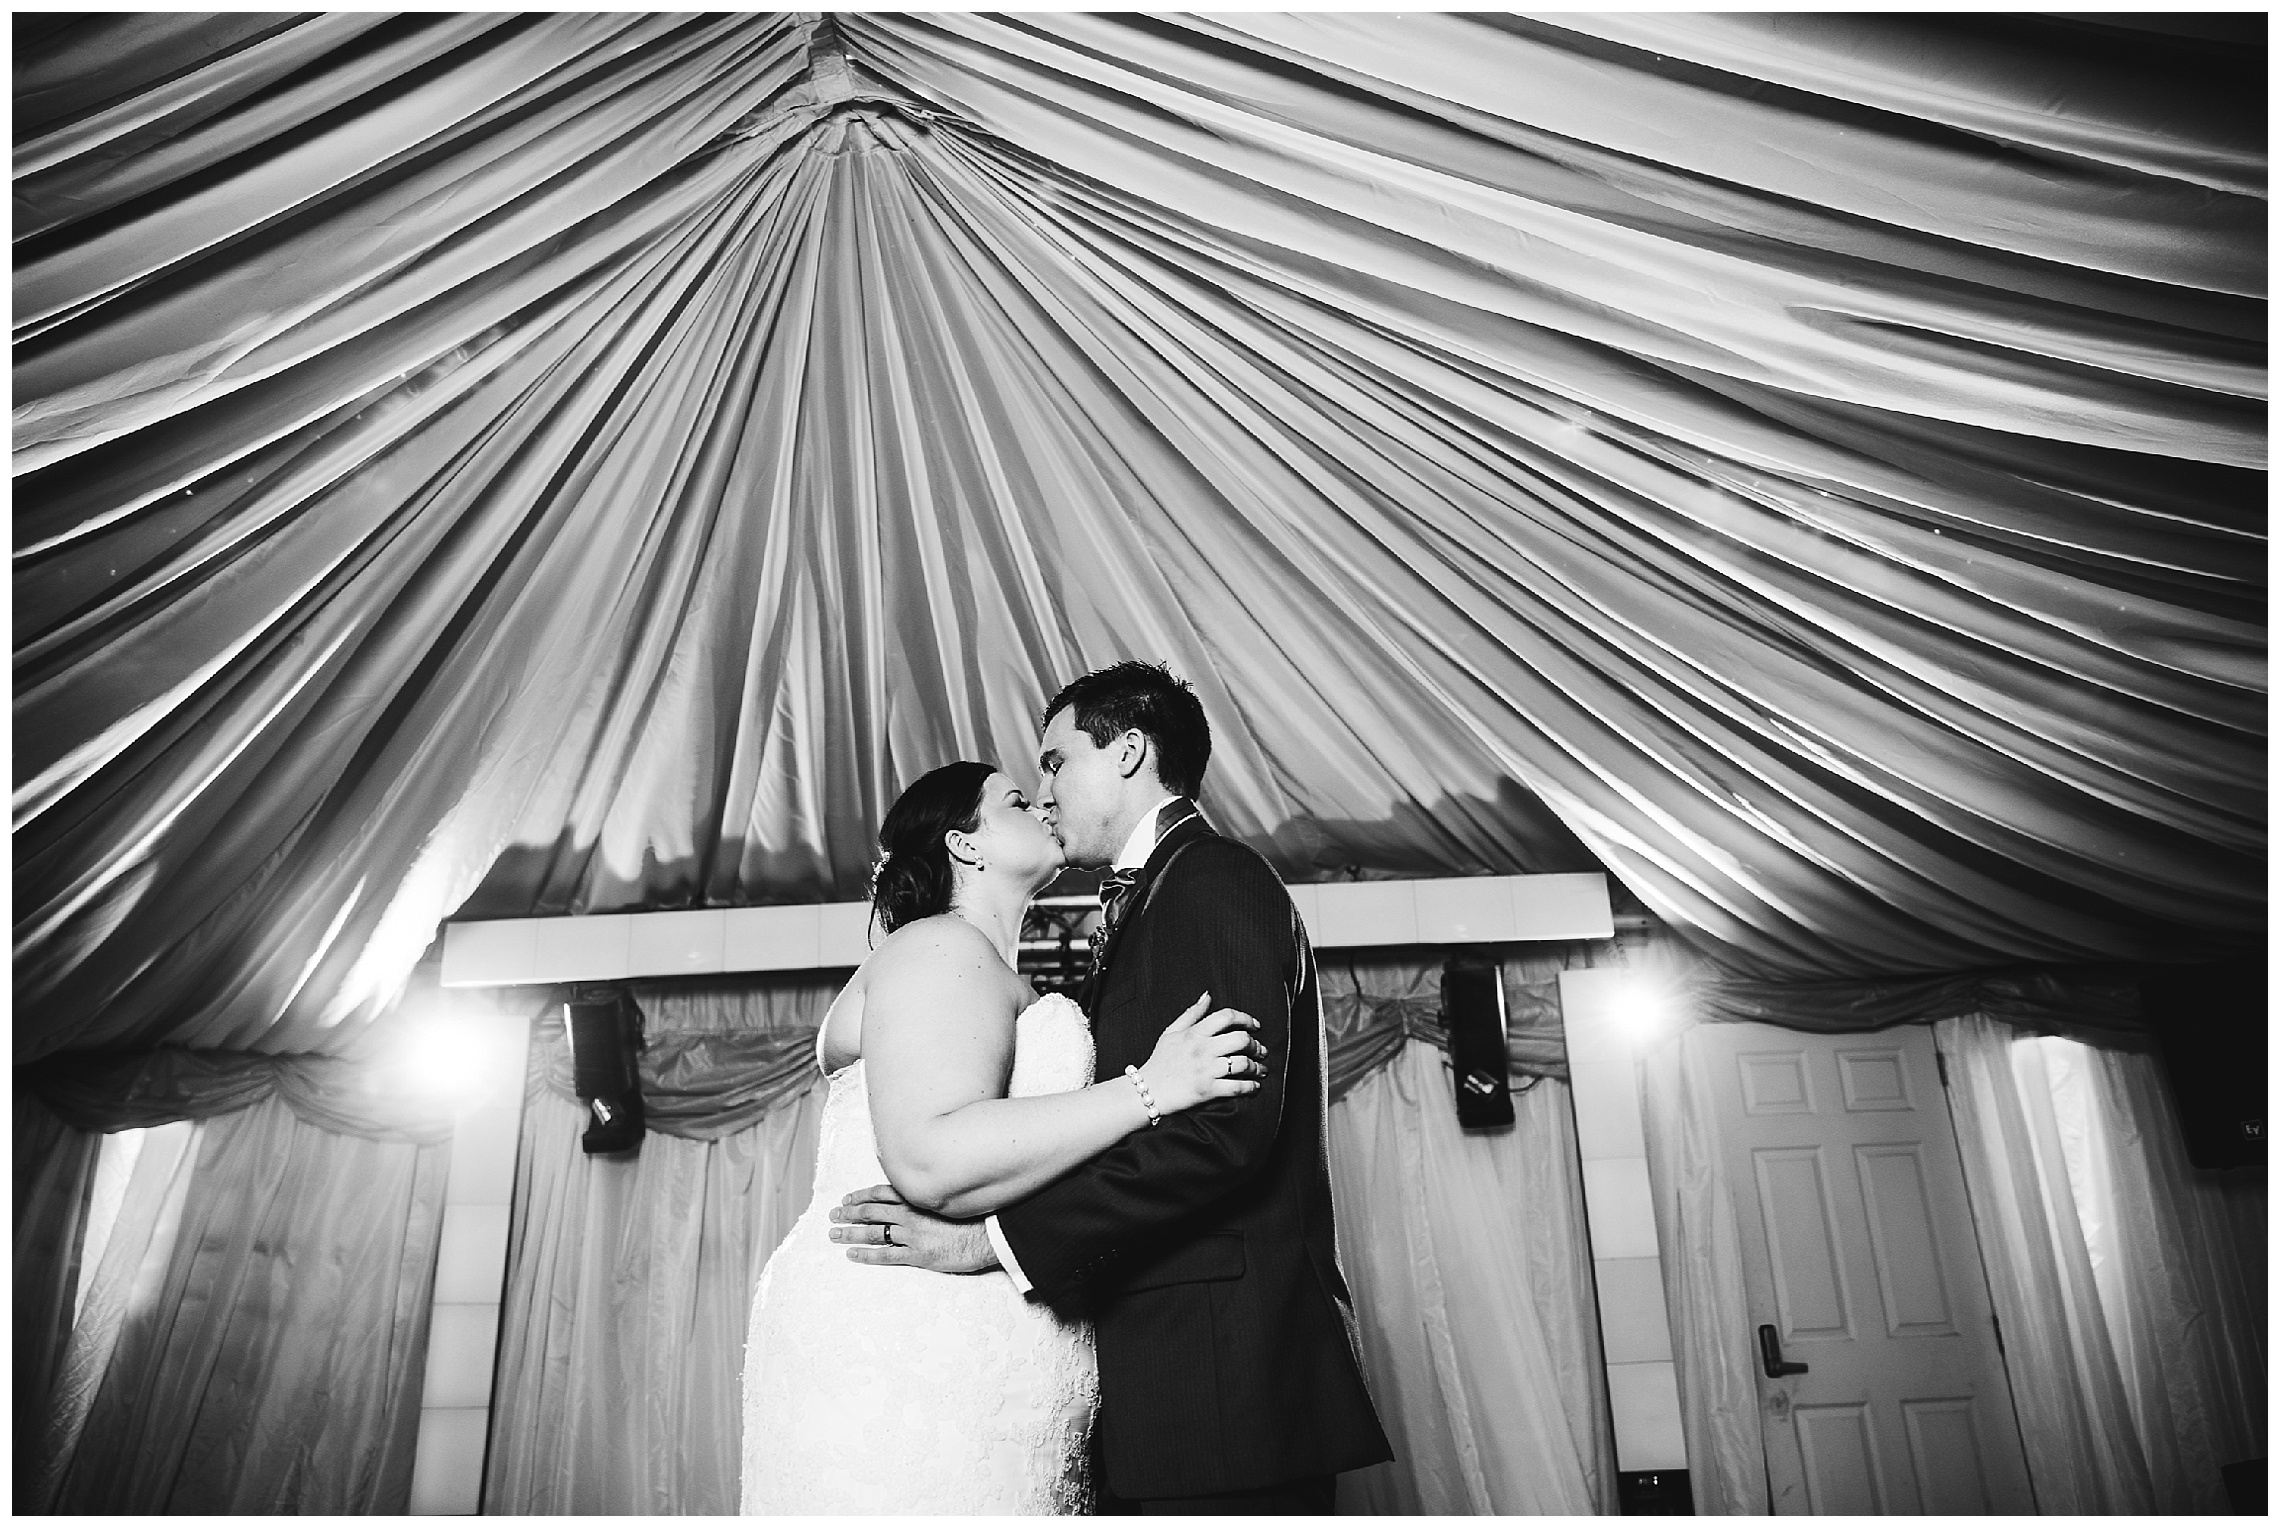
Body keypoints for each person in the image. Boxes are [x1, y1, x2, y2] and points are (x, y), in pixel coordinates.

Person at [831, 662, 1394, 1514]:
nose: (1046, 791)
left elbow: (1218, 1134)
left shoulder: (1211, 880)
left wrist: (991, 1244)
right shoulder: (1147, 900)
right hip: (1168, 1386)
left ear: (1129, 751)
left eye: (1056, 763)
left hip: (1219, 1381)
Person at [739, 760, 1268, 1514]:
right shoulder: (939, 949)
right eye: (1018, 800)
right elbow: (931, 1156)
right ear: (965, 845)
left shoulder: (983, 965)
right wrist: (1150, 1089)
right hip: (910, 1338)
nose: (1045, 802)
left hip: (990, 1340)